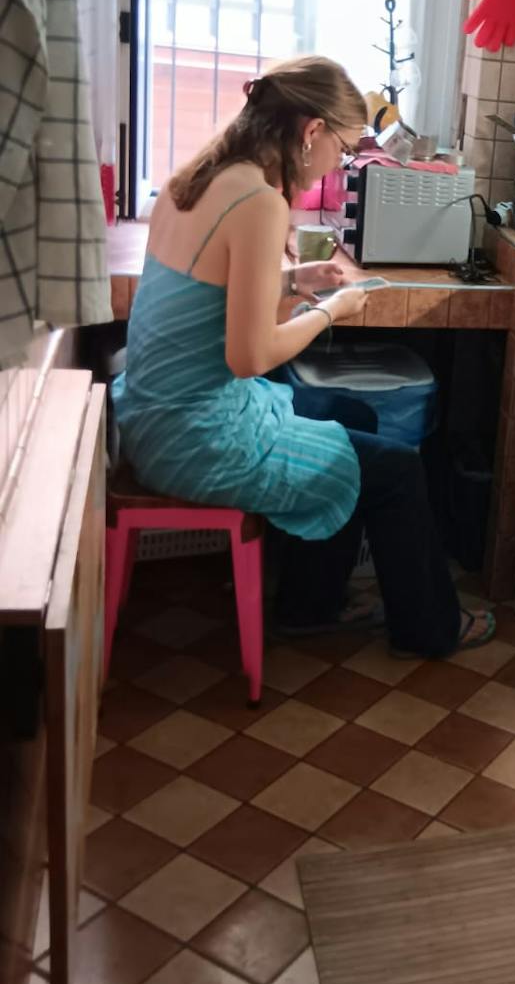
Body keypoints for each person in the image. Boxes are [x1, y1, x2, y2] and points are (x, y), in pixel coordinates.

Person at [111, 55, 493, 655]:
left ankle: (311, 603)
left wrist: (293, 282)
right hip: (196, 439)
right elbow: (250, 356)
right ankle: (430, 630)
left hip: (148, 417)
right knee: (398, 470)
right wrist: (330, 312)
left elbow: (212, 294)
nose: (339, 164)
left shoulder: (198, 177)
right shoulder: (258, 203)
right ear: (312, 131)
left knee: (354, 416)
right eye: (342, 147)